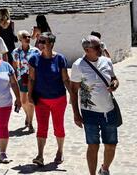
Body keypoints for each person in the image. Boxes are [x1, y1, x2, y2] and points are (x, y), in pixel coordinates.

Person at [69, 35, 121, 175]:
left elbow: (114, 79)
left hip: (109, 110)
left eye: (100, 46)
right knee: (93, 146)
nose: (101, 49)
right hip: (89, 112)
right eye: (97, 47)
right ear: (87, 50)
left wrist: (114, 84)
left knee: (111, 145)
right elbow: (73, 92)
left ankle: (104, 169)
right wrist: (76, 114)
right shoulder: (78, 65)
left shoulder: (107, 61)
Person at [27, 32, 70, 166]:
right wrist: (29, 95)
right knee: (42, 127)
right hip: (41, 100)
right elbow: (31, 78)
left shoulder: (60, 59)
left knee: (58, 126)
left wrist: (74, 95)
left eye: (43, 42)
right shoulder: (34, 59)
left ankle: (60, 151)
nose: (40, 44)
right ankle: (40, 155)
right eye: (39, 41)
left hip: (58, 99)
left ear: (51, 44)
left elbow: (65, 79)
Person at [11, 30, 40, 131]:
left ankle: (30, 123)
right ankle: (28, 115)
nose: (27, 38)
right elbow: (14, 67)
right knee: (23, 101)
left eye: (28, 36)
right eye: (24, 37)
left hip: (32, 78)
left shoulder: (35, 51)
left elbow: (39, 65)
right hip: (21, 78)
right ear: (20, 39)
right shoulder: (15, 52)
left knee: (30, 100)